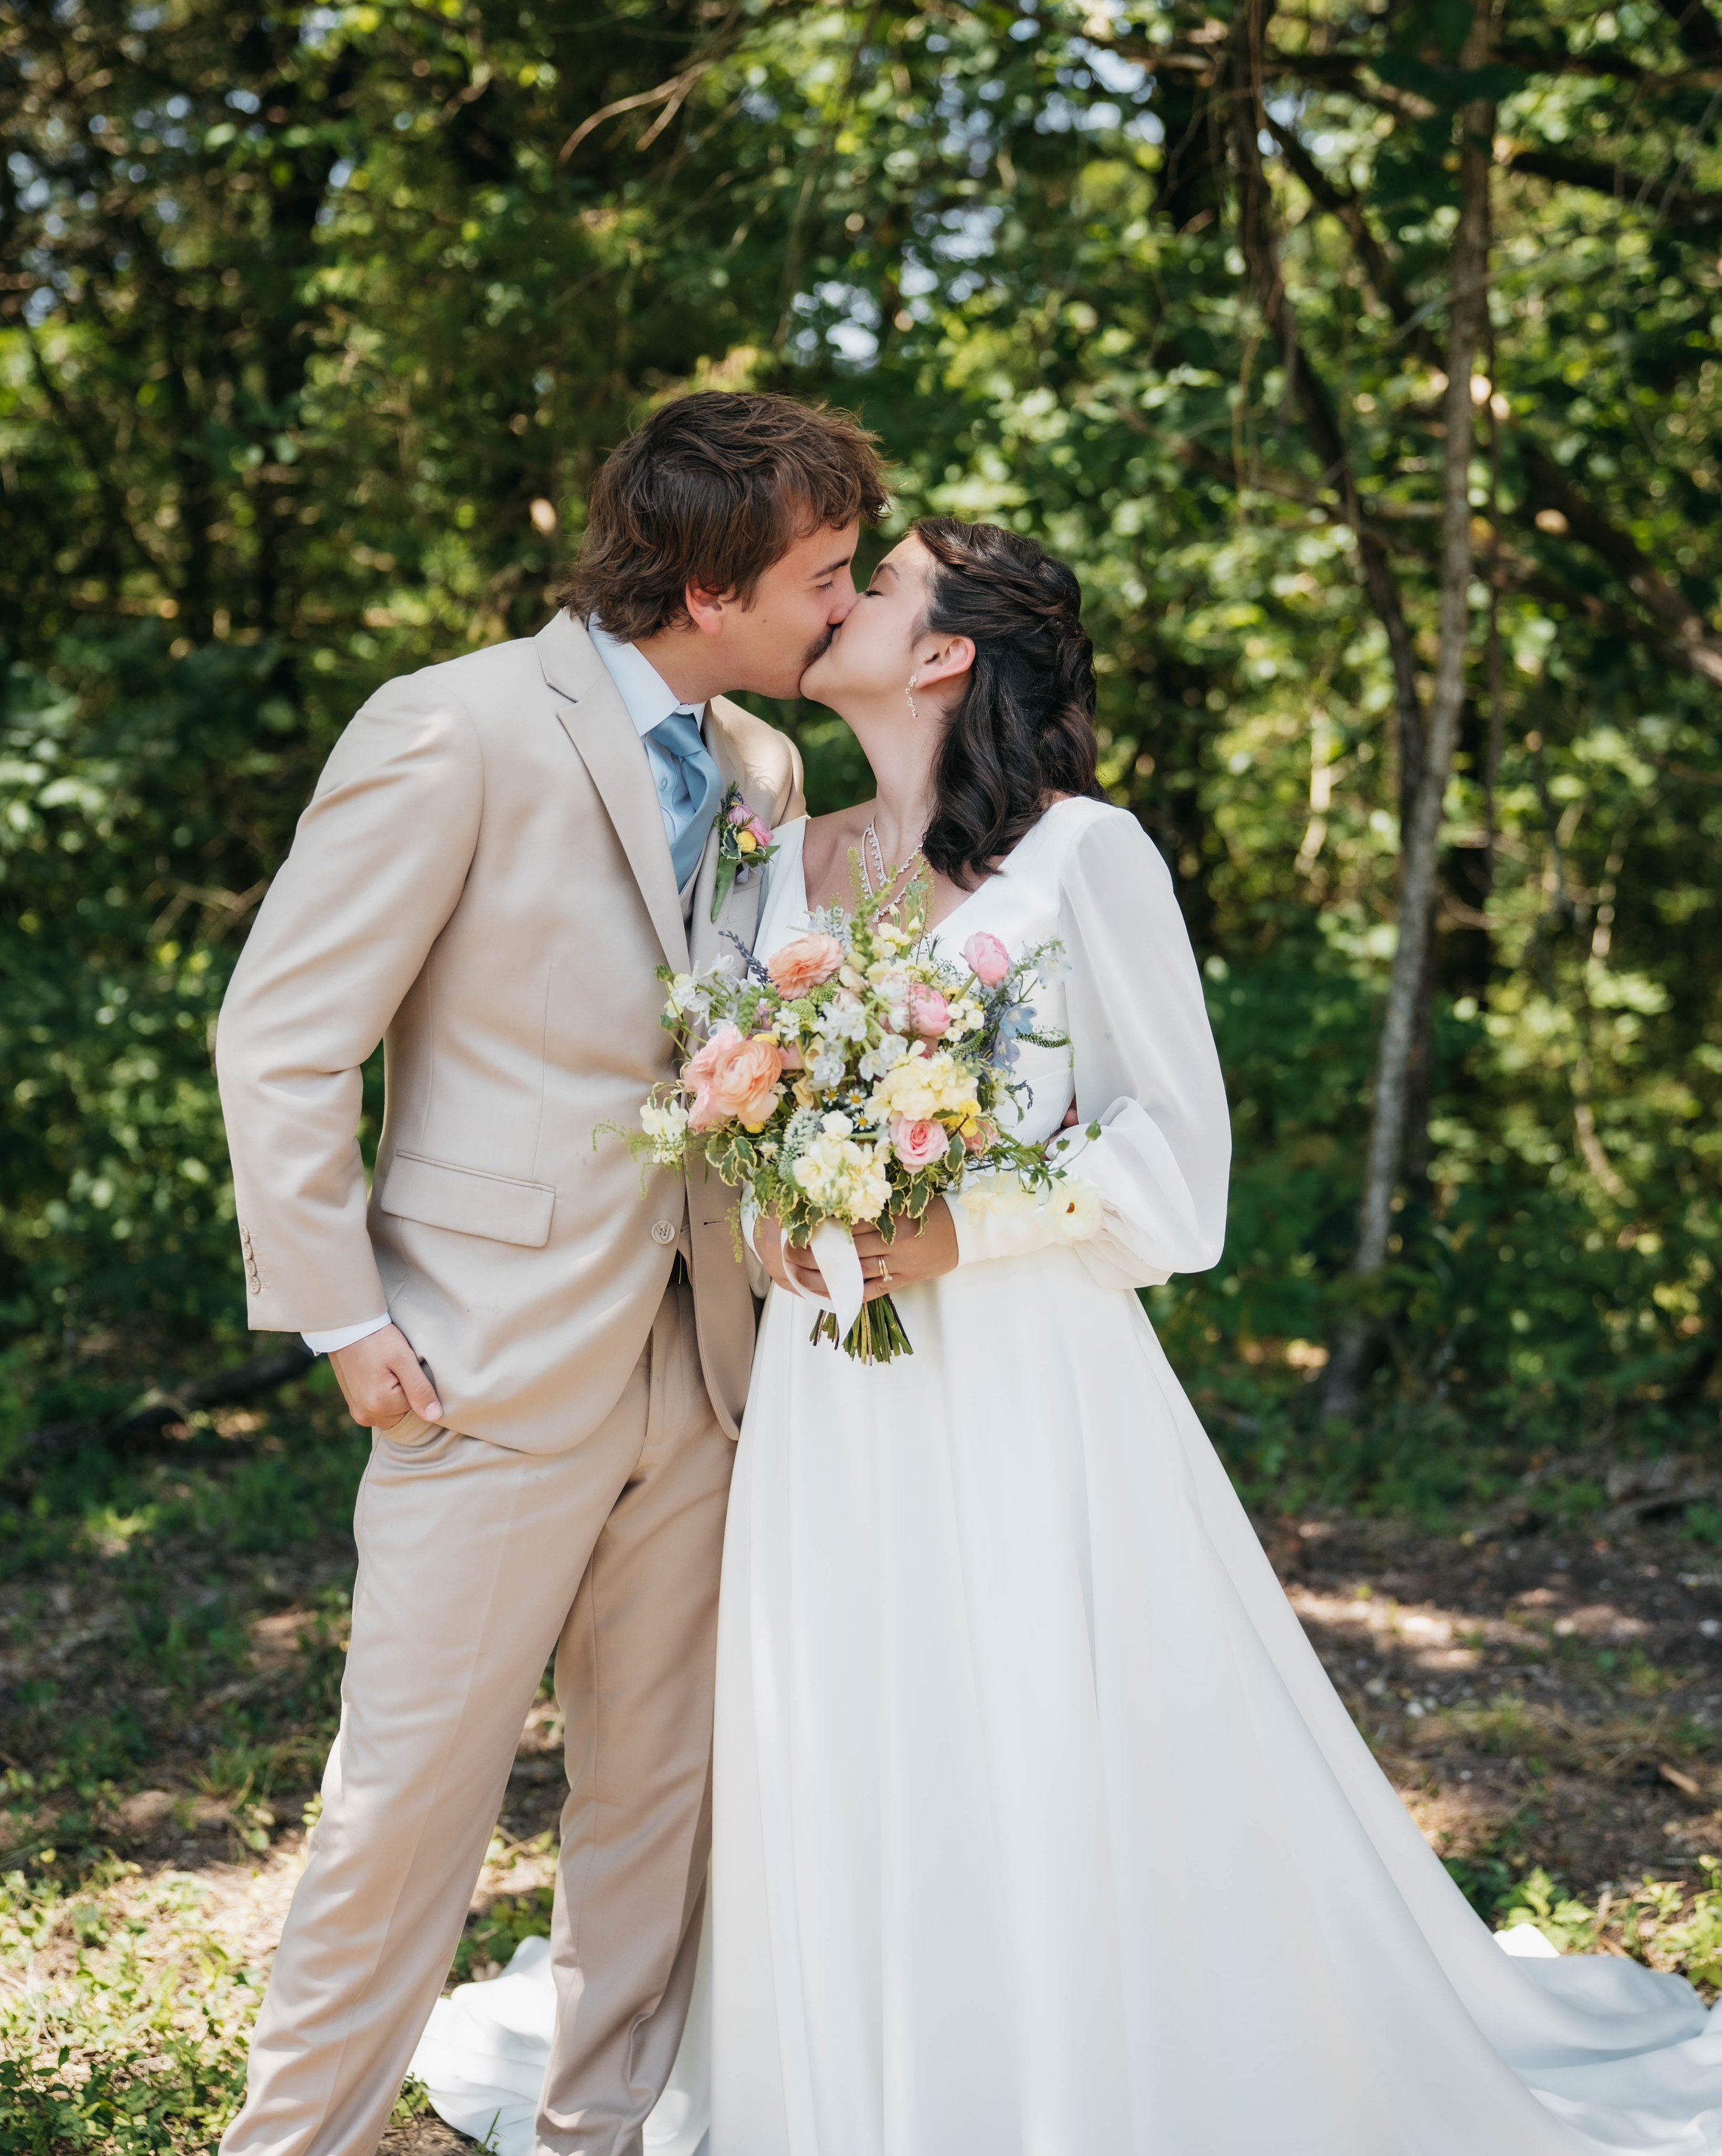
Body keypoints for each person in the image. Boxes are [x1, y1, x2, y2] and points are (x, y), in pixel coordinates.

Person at [417, 517, 1722, 2154]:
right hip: (827, 1393)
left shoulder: (1084, 857)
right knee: (841, 1733)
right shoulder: (773, 855)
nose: (835, 599)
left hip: (1026, 1383)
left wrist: (960, 1223)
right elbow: (709, 1111)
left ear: (948, 649)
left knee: (1035, 1727)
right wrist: (767, 1205)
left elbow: (1180, 1172)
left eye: (870, 582)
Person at [212, 389, 889, 2156]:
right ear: (705, 575)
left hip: (708, 1357)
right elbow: (283, 1037)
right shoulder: (451, 726)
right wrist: (345, 1315)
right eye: (822, 571)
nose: (844, 601)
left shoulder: (762, 769)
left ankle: (594, 2134)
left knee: (658, 1796)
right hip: (479, 1355)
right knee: (407, 1799)